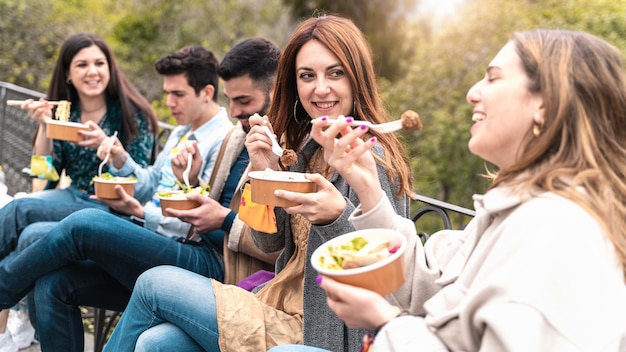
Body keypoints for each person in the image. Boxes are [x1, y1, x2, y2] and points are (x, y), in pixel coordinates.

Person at [276, 29, 626, 351]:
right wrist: (367, 186)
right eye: (307, 75)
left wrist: (386, 324)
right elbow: (431, 282)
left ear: (545, 104)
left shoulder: (555, 228)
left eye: (493, 78)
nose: (473, 92)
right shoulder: (516, 208)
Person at [103, 14, 414, 352]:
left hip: (319, 329)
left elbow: (386, 278)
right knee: (155, 343)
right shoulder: (307, 150)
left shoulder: (371, 156)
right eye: (307, 76)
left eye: (335, 73)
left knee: (153, 283)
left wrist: (333, 218)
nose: (320, 88)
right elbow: (269, 243)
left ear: (357, 78)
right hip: (275, 303)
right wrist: (262, 169)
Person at [0, 38, 281, 352]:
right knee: (52, 280)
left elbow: (271, 237)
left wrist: (216, 216)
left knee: (78, 223)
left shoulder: (265, 146)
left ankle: (3, 291)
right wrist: (182, 180)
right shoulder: (222, 136)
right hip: (171, 233)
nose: (236, 112)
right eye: (232, 101)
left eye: (244, 101)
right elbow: (45, 171)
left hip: (208, 259)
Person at [0, 32, 158, 352]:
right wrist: (44, 125)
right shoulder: (65, 114)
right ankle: (29, 329)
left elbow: (140, 184)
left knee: (24, 219)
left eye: (99, 63)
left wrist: (107, 147)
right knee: (24, 215)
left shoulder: (132, 114)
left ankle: (25, 323)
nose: (92, 71)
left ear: (110, 69)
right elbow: (45, 178)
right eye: (82, 64)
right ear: (68, 74)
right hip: (73, 197)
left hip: (113, 208)